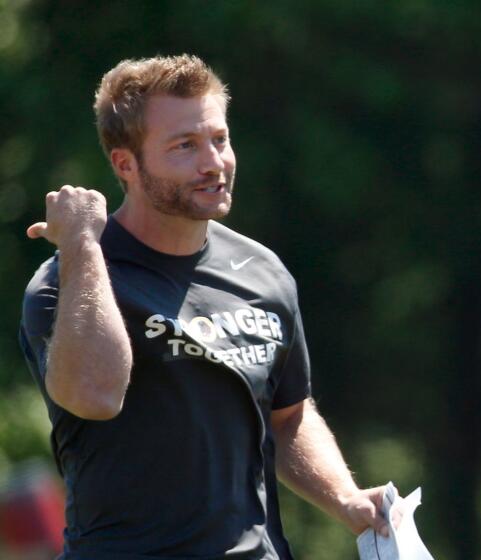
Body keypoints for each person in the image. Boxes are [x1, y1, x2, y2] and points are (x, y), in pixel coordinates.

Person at [19, 54, 392, 559]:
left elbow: (288, 417)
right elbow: (93, 395)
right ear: (125, 164)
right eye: (185, 146)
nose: (213, 162)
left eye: (219, 139)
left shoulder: (263, 271)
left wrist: (346, 499)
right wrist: (82, 246)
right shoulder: (71, 282)